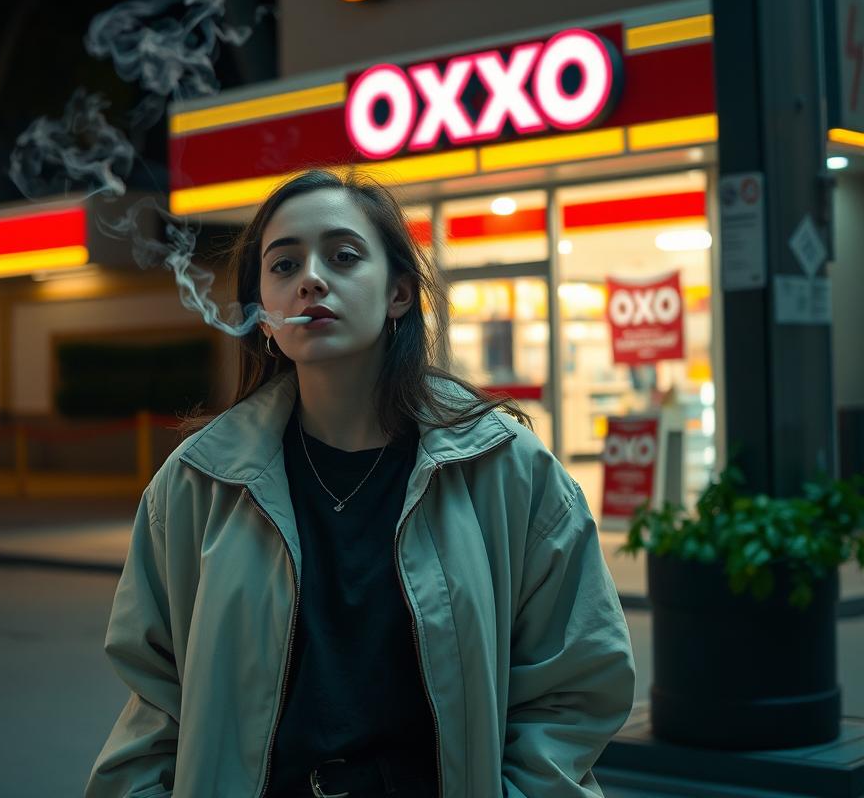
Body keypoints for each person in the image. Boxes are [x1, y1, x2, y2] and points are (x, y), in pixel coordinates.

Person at [84, 169, 636, 798]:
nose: (311, 279)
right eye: (284, 265)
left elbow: (576, 685)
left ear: (398, 293)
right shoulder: (196, 485)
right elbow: (154, 709)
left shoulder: (506, 469)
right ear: (263, 316)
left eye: (344, 256)